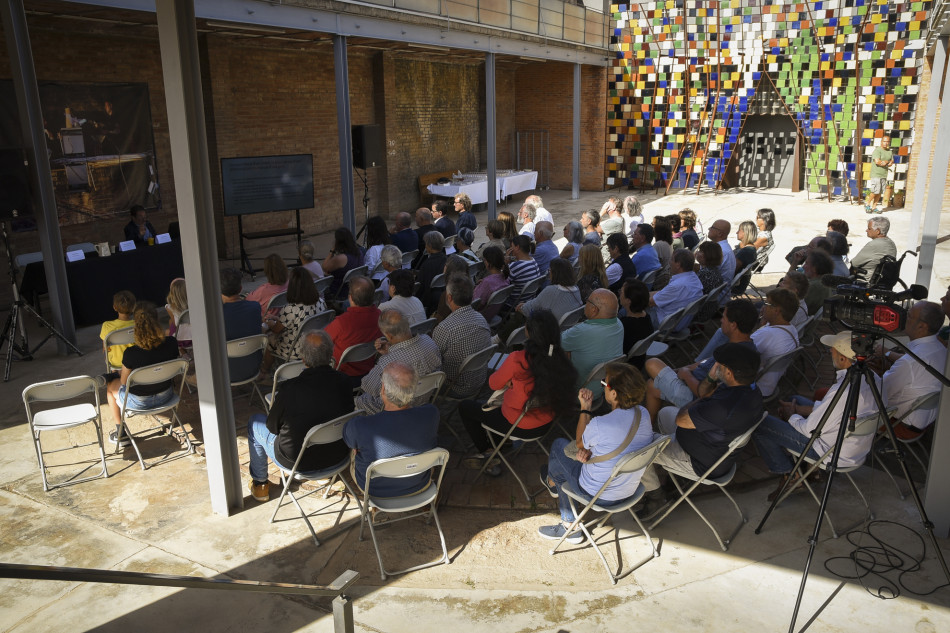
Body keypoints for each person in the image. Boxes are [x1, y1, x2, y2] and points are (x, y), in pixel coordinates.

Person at [754, 331, 880, 501]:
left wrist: (792, 415)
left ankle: (790, 474)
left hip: (830, 453)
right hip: (854, 448)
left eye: (833, 350)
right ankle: (810, 471)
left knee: (759, 422)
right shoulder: (874, 378)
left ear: (843, 359)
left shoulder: (844, 389)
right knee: (794, 399)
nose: (830, 352)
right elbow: (833, 412)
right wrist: (797, 408)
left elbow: (809, 429)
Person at [538, 363, 655, 544]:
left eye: (604, 384)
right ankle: (553, 480)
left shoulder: (601, 424)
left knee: (558, 447)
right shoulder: (644, 413)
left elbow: (579, 443)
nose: (603, 386)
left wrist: (585, 407)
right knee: (569, 461)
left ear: (614, 394)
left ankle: (568, 523)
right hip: (630, 490)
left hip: (597, 494)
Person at [640, 343, 764, 511]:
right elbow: (705, 393)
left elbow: (682, 419)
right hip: (711, 448)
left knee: (636, 449)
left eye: (719, 364)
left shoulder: (723, 407)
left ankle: (656, 497)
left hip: (699, 463)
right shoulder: (749, 389)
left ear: (729, 372)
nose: (715, 365)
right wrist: (711, 379)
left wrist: (701, 400)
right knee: (664, 413)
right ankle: (676, 476)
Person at [459, 310, 578, 474]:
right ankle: (501, 443)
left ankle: (487, 451)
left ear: (529, 333)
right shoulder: (561, 358)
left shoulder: (518, 359)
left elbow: (493, 383)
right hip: (546, 423)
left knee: (466, 407)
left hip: (518, 424)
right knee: (496, 408)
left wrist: (511, 381)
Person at [246, 331, 354, 502]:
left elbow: (272, 427)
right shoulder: (345, 382)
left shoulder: (290, 389)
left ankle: (260, 485)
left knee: (254, 423)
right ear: (331, 354)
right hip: (337, 456)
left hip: (296, 461)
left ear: (303, 358)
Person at [644, 298, 759, 421]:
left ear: (733, 325)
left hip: (694, 396)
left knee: (651, 363)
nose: (721, 320)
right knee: (652, 385)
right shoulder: (746, 346)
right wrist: (680, 370)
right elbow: (705, 362)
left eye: (724, 317)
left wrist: (686, 375)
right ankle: (649, 426)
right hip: (692, 381)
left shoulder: (732, 358)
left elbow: (707, 394)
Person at [344, 363, 439, 498]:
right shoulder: (431, 413)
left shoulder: (360, 426)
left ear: (383, 389)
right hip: (419, 485)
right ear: (414, 390)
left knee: (355, 448)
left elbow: (348, 440)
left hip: (375, 491)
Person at [105, 302, 180, 447]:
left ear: (135, 325)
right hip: (167, 395)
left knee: (110, 386)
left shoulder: (131, 354)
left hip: (139, 402)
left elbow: (124, 383)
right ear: (157, 319)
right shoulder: (171, 343)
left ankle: (121, 433)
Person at [354, 310, 442, 414]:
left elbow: (367, 387)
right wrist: (390, 351)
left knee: (357, 399)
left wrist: (388, 356)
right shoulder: (429, 341)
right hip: (422, 401)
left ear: (388, 335)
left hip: (391, 408)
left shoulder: (388, 362)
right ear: (408, 324)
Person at [880, 301, 946, 438]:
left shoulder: (909, 362)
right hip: (923, 421)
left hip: (901, 424)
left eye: (909, 316)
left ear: (922, 326)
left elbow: (878, 395)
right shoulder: (941, 350)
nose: (903, 317)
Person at [433, 274, 492, 398]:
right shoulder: (481, 319)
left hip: (456, 386)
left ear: (449, 297)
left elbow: (433, 363)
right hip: (480, 379)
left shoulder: (445, 328)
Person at [562, 289, 624, 399]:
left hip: (582, 392)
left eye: (587, 302)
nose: (585, 304)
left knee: (556, 351)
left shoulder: (582, 331)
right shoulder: (619, 325)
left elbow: (555, 341)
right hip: (605, 385)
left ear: (594, 310)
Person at [261, 267, 325, 371]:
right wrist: (278, 318)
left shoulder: (291, 308)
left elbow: (276, 329)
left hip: (295, 350)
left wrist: (269, 323)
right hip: (313, 344)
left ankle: (264, 372)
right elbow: (297, 320)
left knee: (269, 338)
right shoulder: (320, 302)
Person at [324, 275, 382, 380]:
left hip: (342, 375)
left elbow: (322, 341)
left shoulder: (341, 322)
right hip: (369, 373)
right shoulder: (380, 316)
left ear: (350, 298)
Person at [220, 267, 264, 381]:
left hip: (223, 372)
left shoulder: (215, 316)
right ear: (240, 288)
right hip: (253, 367)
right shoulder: (255, 307)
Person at [516, 258, 583, 324]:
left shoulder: (551, 291)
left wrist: (522, 307)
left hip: (553, 331)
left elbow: (527, 310)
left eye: (550, 271)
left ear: (555, 273)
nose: (549, 273)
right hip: (569, 328)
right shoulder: (576, 288)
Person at [648, 248, 703, 329]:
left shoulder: (677, 286)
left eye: (672, 259)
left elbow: (650, 303)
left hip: (665, 323)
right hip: (679, 322)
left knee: (631, 307)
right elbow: (663, 293)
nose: (670, 262)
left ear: (678, 265)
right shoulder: (694, 279)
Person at [619, 279, 655, 370]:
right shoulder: (647, 318)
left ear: (628, 301)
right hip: (638, 363)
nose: (619, 294)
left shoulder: (624, 325)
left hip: (623, 367)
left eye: (621, 292)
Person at [850, 217, 897, 284]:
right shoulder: (891, 243)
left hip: (866, 280)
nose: (866, 230)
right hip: (884, 280)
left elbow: (854, 263)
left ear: (877, 231)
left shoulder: (873, 245)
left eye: (869, 229)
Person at [322, 227, 363, 299]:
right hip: (354, 288)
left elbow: (324, 267)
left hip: (340, 291)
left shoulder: (341, 258)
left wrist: (332, 251)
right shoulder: (359, 252)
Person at [472, 246, 510, 322]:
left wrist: (475, 289)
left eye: (484, 260)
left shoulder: (487, 283)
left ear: (489, 263)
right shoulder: (506, 279)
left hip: (478, 317)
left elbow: (475, 304)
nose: (484, 262)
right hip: (491, 314)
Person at [101, 290, 135, 371]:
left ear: (114, 307)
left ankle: (115, 374)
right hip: (135, 361)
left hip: (116, 363)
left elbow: (105, 348)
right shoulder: (139, 325)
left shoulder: (107, 326)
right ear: (133, 307)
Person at [416, 231, 447, 311]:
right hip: (443, 296)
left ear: (429, 246)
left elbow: (420, 287)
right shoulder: (447, 259)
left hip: (429, 302)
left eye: (426, 244)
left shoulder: (427, 264)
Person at [505, 235, 541, 305]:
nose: (510, 248)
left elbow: (501, 282)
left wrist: (505, 264)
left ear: (517, 247)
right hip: (529, 300)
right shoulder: (533, 260)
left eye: (512, 246)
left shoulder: (515, 266)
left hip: (515, 303)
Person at [694, 242, 724, 322]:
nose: (697, 252)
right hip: (710, 310)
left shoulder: (704, 274)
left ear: (706, 256)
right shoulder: (715, 271)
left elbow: (689, 294)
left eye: (700, 251)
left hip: (699, 312)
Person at [707, 219, 736, 293]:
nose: (709, 229)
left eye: (712, 228)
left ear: (720, 234)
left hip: (716, 296)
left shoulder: (721, 250)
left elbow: (706, 275)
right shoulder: (721, 248)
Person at [866, 136, 894, 214]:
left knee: (880, 192)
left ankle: (874, 207)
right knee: (875, 191)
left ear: (889, 142)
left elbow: (891, 161)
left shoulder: (889, 152)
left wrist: (887, 162)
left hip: (884, 174)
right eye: (884, 141)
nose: (886, 143)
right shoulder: (877, 151)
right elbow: (878, 162)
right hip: (876, 174)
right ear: (881, 142)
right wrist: (885, 162)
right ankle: (867, 204)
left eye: (887, 141)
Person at [802, 249, 834, 315]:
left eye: (806, 263)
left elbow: (793, 309)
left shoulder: (813, 286)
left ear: (814, 268)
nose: (803, 266)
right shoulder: (825, 282)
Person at [362, 216, 392, 282]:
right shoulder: (389, 246)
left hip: (375, 282)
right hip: (386, 279)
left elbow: (369, 270)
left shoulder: (374, 249)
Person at [732, 220, 759, 294]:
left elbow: (732, 269)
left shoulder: (746, 251)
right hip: (741, 283)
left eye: (739, 230)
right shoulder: (750, 248)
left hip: (736, 286)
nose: (736, 232)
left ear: (745, 233)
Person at [165, 278, 190, 348]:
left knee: (169, 328)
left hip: (182, 340)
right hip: (199, 336)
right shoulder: (195, 304)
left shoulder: (170, 308)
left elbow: (176, 326)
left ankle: (184, 354)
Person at [651, 216, 674, 291]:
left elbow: (653, 267)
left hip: (659, 283)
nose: (651, 225)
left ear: (658, 229)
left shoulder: (659, 245)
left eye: (653, 224)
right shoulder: (666, 243)